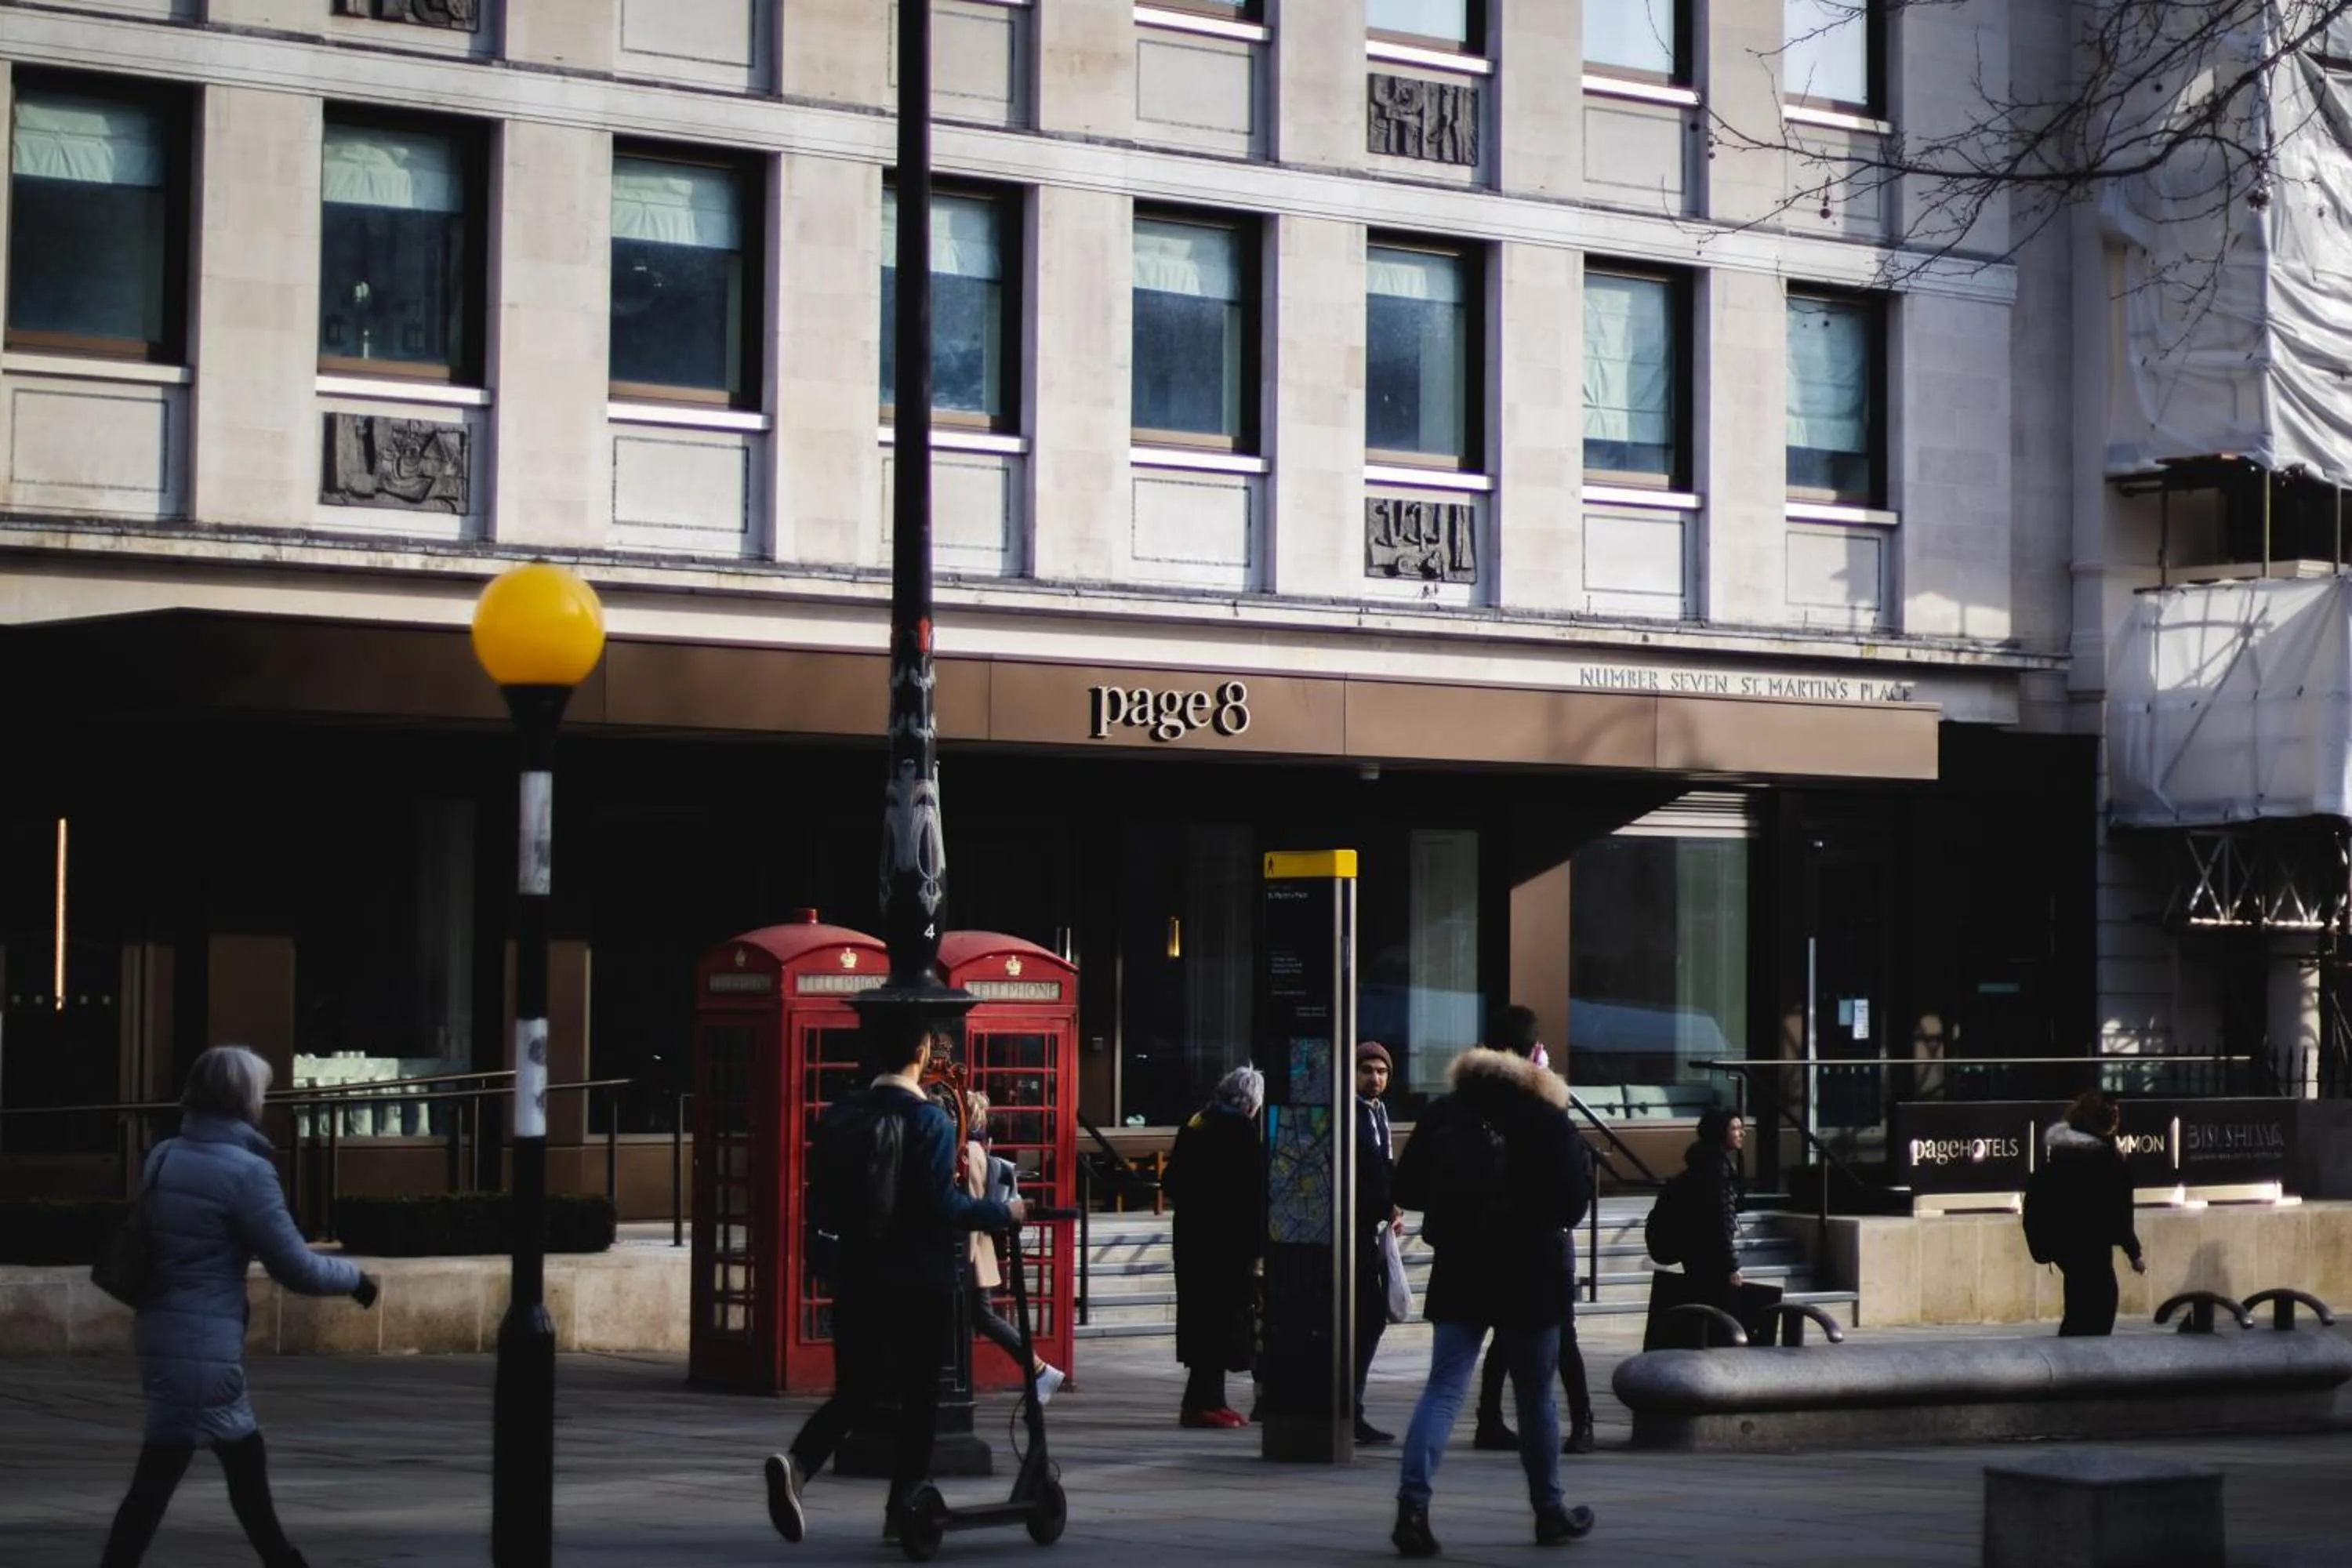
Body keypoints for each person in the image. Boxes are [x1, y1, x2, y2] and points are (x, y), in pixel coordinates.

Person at [101, 1044, 380, 1568]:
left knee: (227, 1464)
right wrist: (355, 1278)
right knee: (175, 1473)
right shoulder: (247, 1174)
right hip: (204, 1344)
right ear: (245, 1099)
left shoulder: (164, 1156)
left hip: (163, 1332)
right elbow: (294, 1265)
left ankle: (282, 1560)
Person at [765, 1030, 1024, 1544]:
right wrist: (1004, 1211)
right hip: (919, 1279)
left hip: (856, 1276)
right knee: (921, 1399)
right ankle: (901, 1508)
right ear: (923, 1054)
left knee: (857, 1392)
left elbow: (823, 1200)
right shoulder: (929, 1118)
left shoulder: (840, 1115)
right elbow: (943, 1207)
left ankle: (797, 1463)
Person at [1388, 1041, 1596, 1556]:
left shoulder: (1445, 1112)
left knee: (1443, 1388)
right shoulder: (1546, 1117)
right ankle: (1549, 1511)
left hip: (1461, 1265)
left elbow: (1408, 1188)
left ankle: (1412, 1509)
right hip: (1531, 1270)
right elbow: (1573, 1205)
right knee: (1535, 1396)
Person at [1470, 1014, 1596, 1456]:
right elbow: (1574, 1187)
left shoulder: (1472, 1106)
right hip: (1544, 1239)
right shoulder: (1545, 1111)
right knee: (1555, 1335)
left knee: (1509, 1334)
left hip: (1507, 1239)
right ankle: (1578, 1425)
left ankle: (1492, 1419)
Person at [1163, 1064, 1265, 1429]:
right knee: (1222, 1324)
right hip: (1226, 1248)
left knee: (1200, 1324)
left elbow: (1170, 1181)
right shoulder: (1239, 1130)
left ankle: (1209, 1400)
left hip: (1191, 1244)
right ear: (1250, 1101)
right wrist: (1257, 1248)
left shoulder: (1197, 1123)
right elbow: (1252, 1195)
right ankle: (1204, 1404)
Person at [956, 1091, 1065, 1402]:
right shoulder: (972, 1148)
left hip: (969, 1251)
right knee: (974, 1319)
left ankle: (1040, 1369)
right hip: (973, 1251)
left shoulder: (969, 1152)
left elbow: (967, 1205)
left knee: (983, 1317)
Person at [1645, 1108, 1782, 1350]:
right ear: (1720, 1133)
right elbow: (1719, 1220)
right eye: (1735, 1129)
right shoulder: (1718, 1169)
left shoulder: (1701, 1165)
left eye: (1741, 1128)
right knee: (1724, 1322)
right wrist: (1731, 1265)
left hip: (1695, 1256)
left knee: (1702, 1319)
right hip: (1712, 1260)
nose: (1742, 1134)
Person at [2042, 1091, 2146, 1337]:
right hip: (2095, 1246)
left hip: (2067, 1245)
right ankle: (2089, 1370)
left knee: (2077, 1311)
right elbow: (2118, 1211)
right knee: (2100, 1310)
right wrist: (2134, 1253)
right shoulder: (2106, 1161)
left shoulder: (2061, 1154)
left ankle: (2071, 1367)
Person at [1353, 1041, 1402, 1446]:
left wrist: (1393, 1205)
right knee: (1366, 1320)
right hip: (1353, 1230)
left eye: (1381, 1071)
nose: (1375, 1078)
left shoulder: (1379, 1112)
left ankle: (1352, 1405)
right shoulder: (1350, 1114)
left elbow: (1384, 1165)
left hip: (1374, 1229)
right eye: (1367, 1070)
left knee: (1371, 1320)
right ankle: (1348, 1406)